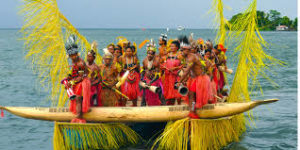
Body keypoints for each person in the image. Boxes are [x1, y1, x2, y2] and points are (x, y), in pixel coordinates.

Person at [178, 35, 212, 119]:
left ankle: (192, 112)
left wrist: (179, 81)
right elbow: (190, 71)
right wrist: (184, 80)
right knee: (191, 96)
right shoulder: (191, 56)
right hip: (195, 78)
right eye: (180, 49)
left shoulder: (191, 57)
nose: (181, 51)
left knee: (191, 96)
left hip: (200, 79)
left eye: (183, 50)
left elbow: (187, 71)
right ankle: (193, 110)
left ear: (188, 50)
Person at [64, 35, 91, 123]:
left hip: (83, 82)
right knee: (76, 99)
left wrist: (71, 83)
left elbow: (81, 77)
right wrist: (68, 78)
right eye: (71, 55)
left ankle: (79, 116)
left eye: (74, 55)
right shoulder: (74, 62)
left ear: (77, 54)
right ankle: (77, 114)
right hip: (77, 81)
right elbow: (74, 74)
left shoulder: (80, 63)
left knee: (78, 98)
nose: (72, 57)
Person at [140, 41, 165, 106]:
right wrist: (142, 79)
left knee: (159, 92)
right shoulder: (144, 61)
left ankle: (164, 106)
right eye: (148, 53)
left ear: (154, 55)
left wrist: (151, 82)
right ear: (147, 53)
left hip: (155, 80)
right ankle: (142, 107)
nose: (149, 55)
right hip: (147, 79)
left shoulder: (156, 62)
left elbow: (157, 75)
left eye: (151, 54)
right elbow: (143, 70)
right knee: (144, 94)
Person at [161, 40, 182, 105]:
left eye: (173, 46)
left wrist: (175, 68)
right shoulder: (167, 55)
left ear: (177, 47)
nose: (171, 48)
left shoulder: (180, 55)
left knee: (176, 92)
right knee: (169, 92)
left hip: (176, 76)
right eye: (171, 46)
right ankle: (170, 105)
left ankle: (179, 106)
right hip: (168, 76)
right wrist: (164, 67)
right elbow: (163, 63)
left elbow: (183, 66)